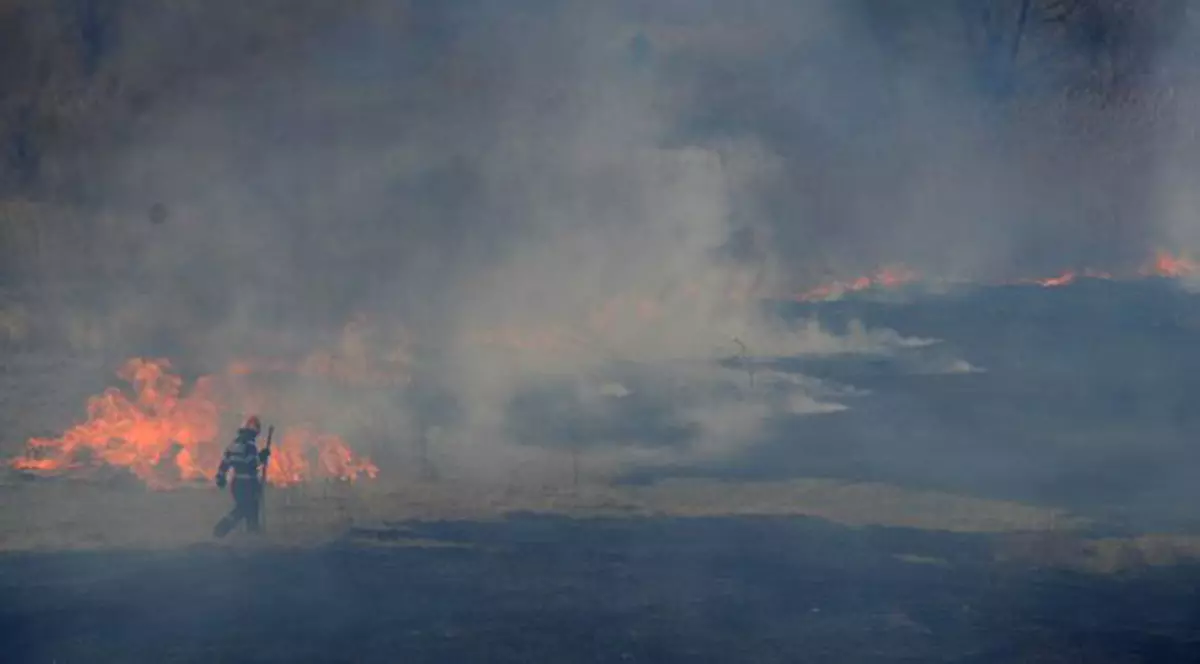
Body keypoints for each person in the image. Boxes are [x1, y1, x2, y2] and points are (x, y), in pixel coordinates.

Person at [212, 415, 271, 538]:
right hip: (248, 484)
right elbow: (251, 463)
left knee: (251, 509)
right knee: (244, 509)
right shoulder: (250, 445)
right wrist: (262, 456)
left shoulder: (234, 444)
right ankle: (222, 528)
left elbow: (225, 462)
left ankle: (253, 533)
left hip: (237, 483)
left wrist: (221, 477)